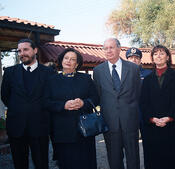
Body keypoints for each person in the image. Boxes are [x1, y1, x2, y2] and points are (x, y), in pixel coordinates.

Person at [1, 39, 53, 169]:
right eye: (19, 50)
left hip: (40, 127)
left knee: (42, 164)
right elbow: (5, 96)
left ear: (35, 50)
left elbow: (51, 98)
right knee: (19, 164)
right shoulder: (9, 72)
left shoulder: (49, 73)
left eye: (25, 49)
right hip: (16, 127)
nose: (22, 53)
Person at [44, 48, 99, 169]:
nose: (69, 61)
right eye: (66, 58)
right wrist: (63, 105)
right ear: (61, 60)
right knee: (66, 163)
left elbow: (96, 98)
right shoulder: (51, 81)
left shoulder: (86, 79)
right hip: (62, 131)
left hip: (85, 130)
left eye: (73, 59)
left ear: (77, 64)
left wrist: (83, 103)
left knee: (86, 163)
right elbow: (46, 102)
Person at [140, 45, 175, 169]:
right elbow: (143, 102)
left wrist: (169, 117)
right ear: (152, 58)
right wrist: (152, 119)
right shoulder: (147, 79)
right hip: (153, 127)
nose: (158, 56)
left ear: (168, 57)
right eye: (155, 54)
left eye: (162, 53)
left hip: (173, 125)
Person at [93, 38, 141, 169]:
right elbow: (97, 95)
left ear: (119, 49)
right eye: (106, 48)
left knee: (133, 157)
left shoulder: (133, 68)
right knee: (114, 159)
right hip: (109, 122)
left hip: (130, 121)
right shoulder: (98, 71)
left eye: (112, 47)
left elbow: (138, 94)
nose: (108, 51)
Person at [125, 47, 151, 168]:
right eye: (131, 58)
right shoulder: (122, 74)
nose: (134, 60)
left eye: (136, 58)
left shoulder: (148, 74)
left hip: (145, 115)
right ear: (127, 60)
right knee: (131, 147)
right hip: (129, 115)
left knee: (149, 145)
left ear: (140, 60)